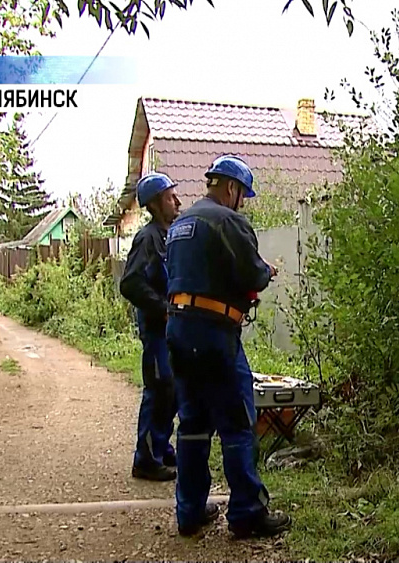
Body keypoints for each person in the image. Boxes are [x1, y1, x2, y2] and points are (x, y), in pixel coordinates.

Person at [164, 155, 291, 538]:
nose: (242, 203)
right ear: (233, 189)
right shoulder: (229, 221)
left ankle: (188, 512)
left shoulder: (179, 224)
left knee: (193, 424)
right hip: (214, 333)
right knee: (237, 423)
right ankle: (247, 513)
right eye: (243, 195)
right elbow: (251, 272)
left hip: (178, 330)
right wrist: (266, 271)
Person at [119, 172, 182, 482]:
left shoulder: (167, 234)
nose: (178, 202)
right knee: (160, 390)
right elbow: (130, 283)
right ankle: (145, 460)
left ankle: (159, 446)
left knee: (173, 391)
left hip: (170, 330)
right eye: (171, 197)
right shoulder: (148, 237)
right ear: (157, 204)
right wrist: (162, 309)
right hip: (157, 329)